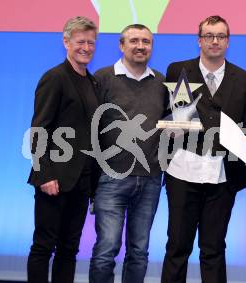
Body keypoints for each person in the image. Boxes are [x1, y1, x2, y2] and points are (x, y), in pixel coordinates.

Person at [161, 15, 246, 283]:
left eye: (221, 36)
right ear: (199, 40)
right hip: (182, 171)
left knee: (213, 249)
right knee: (177, 247)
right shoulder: (177, 70)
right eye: (209, 36)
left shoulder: (244, 79)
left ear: (228, 41)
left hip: (222, 176)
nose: (215, 41)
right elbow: (169, 114)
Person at [89, 24, 169, 283]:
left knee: (139, 251)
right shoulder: (102, 78)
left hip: (150, 179)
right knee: (106, 250)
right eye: (134, 40)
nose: (140, 46)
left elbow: (172, 122)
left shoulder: (161, 82)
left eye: (146, 42)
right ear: (121, 45)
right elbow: (90, 125)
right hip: (110, 178)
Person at [27, 16, 99, 283]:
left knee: (69, 249)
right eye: (81, 41)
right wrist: (44, 173)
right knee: (44, 246)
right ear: (66, 42)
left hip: (81, 182)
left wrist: (93, 184)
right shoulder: (55, 78)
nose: (86, 47)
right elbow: (39, 129)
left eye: (91, 42)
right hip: (53, 179)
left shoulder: (93, 83)